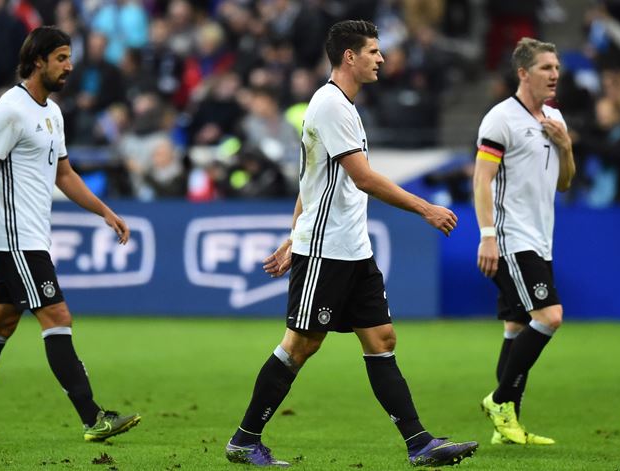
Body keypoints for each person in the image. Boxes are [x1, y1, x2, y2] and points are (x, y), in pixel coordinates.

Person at [224, 20, 478, 468]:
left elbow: (312, 180)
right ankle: (245, 440)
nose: (381, 59)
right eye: (374, 51)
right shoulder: (330, 106)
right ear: (349, 56)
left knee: (381, 339)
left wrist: (290, 234)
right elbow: (362, 178)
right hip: (325, 251)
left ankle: (419, 443)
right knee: (300, 345)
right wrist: (426, 208)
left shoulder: (342, 105)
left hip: (352, 249)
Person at [0, 26, 141, 441]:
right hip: (14, 238)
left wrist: (106, 212)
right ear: (37, 60)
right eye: (61, 58)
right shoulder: (9, 110)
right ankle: (93, 418)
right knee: (57, 317)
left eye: (70, 57)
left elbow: (65, 175)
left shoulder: (51, 112)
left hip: (31, 236)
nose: (70, 66)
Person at [473, 37, 575, 446]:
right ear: (523, 73)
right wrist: (487, 236)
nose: (554, 75)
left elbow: (565, 183)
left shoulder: (554, 118)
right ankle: (500, 401)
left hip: (540, 237)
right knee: (549, 317)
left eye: (556, 68)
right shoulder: (501, 119)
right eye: (546, 68)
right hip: (512, 238)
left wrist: (565, 146)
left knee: (517, 327)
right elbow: (481, 180)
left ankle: (506, 429)